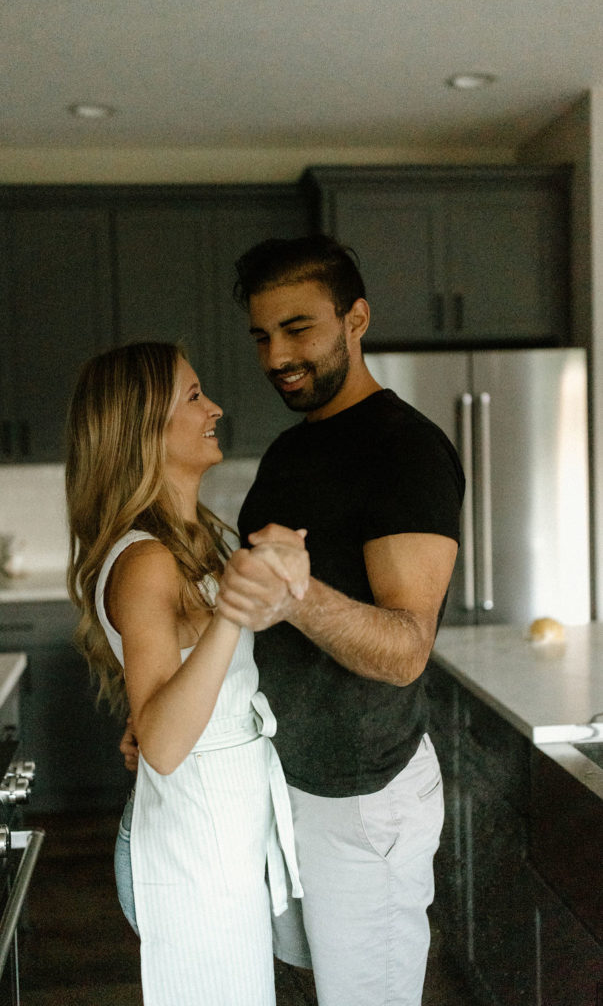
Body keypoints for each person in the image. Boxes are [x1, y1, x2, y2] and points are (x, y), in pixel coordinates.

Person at [212, 234, 465, 1006]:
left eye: (298, 329)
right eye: (261, 335)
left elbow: (403, 650)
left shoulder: (405, 450)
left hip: (361, 796)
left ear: (355, 319)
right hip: (290, 780)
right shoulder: (292, 450)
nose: (275, 356)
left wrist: (298, 594)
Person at [65, 340, 306, 1006]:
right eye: (195, 396)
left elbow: (182, 699)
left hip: (222, 834)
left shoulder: (203, 536)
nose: (216, 408)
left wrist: (278, 576)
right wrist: (235, 605)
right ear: (144, 428)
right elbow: (165, 745)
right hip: (190, 851)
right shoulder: (146, 562)